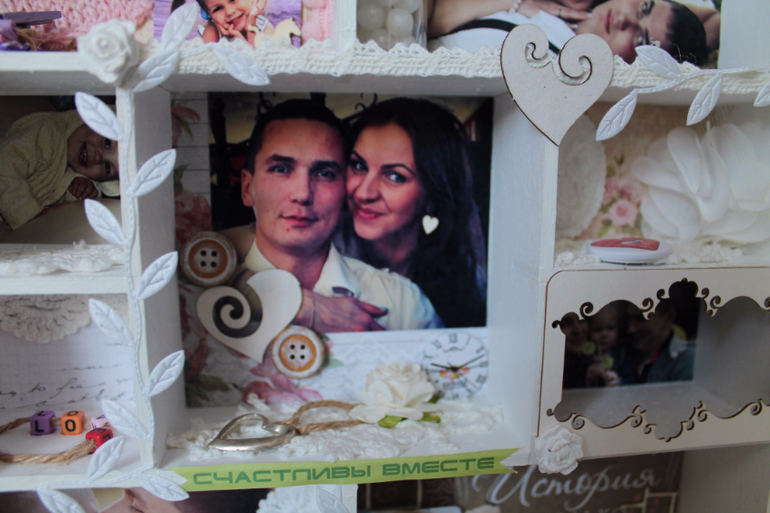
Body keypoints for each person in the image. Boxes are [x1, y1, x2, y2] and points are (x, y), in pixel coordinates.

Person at [222, 99, 443, 333]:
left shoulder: (403, 304)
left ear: (344, 190)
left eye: (324, 173)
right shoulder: (204, 280)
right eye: (281, 169)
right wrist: (292, 304)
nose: (302, 194)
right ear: (247, 189)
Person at [340, 97, 487, 328]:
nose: (363, 193)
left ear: (433, 196)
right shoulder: (322, 250)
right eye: (359, 166)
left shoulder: (465, 277)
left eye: (395, 177)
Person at [429, 0, 710, 66]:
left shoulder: (548, 61)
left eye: (640, 39)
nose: (625, 19)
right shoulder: (568, 10)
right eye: (644, 7)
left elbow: (428, 26)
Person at [0, 110, 120, 232]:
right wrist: (31, 218)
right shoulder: (46, 133)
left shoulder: (77, 174)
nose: (98, 158)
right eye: (107, 143)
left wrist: (76, 191)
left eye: (107, 167)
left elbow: (64, 208)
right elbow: (5, 167)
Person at [615, 299, 695, 384]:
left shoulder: (685, 361)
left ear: (669, 317)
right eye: (628, 320)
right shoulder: (621, 356)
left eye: (641, 318)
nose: (631, 329)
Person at [196, 0, 273, 44]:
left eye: (233, 0)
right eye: (218, 8)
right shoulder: (212, 30)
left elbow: (258, 60)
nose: (229, 12)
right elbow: (207, 62)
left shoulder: (262, 25)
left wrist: (250, 25)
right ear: (208, 14)